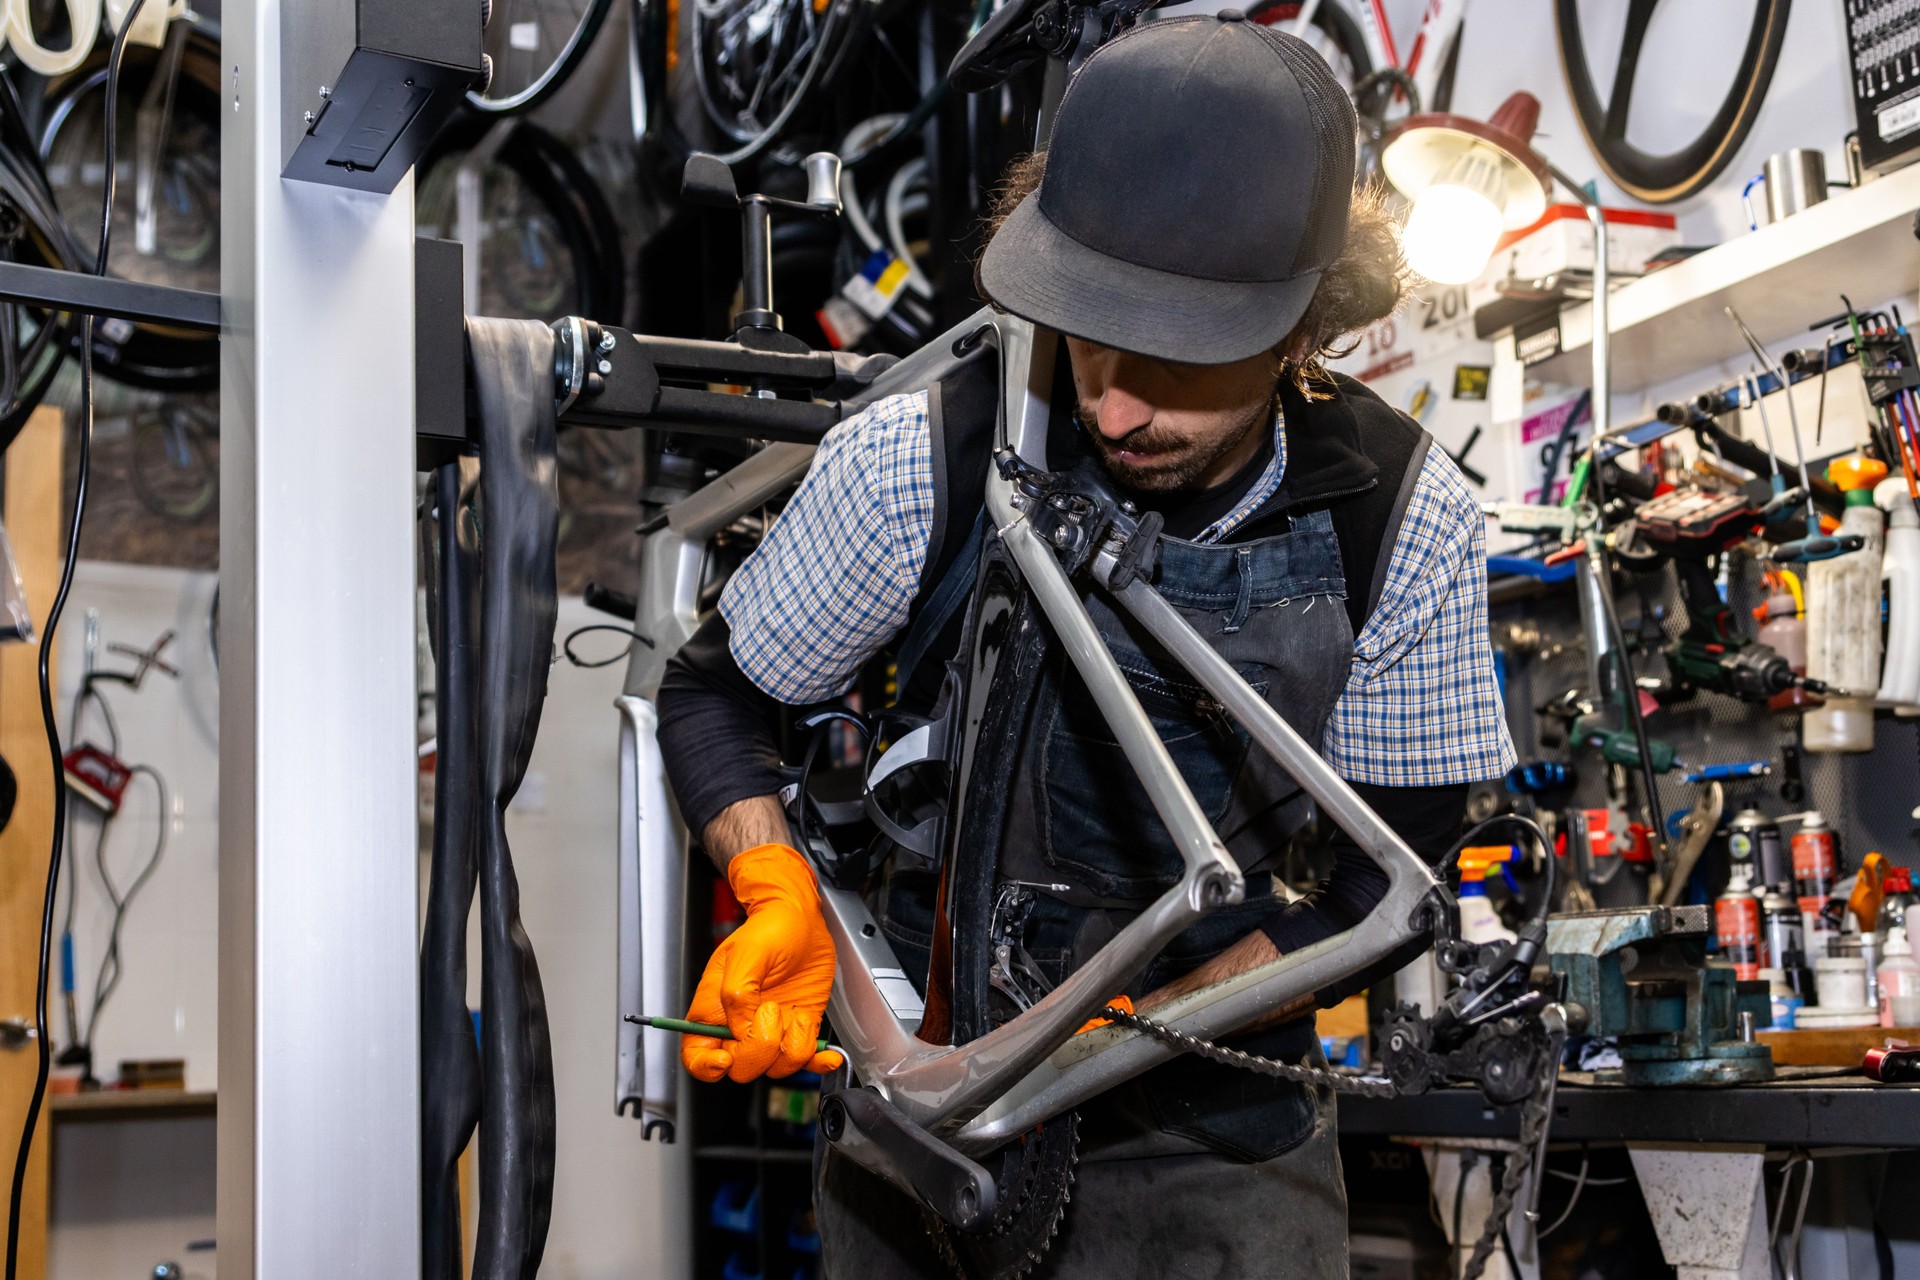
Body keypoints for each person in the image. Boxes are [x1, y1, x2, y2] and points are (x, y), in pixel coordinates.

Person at [657, 13, 1515, 1277]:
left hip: (1216, 1142)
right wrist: (771, 883)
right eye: (1092, 327)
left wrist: (1137, 1027)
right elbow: (717, 697)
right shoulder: (928, 459)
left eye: (1177, 356)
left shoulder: (1401, 518)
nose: (1113, 403)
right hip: (925, 1131)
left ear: (1302, 325)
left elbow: (1392, 870)